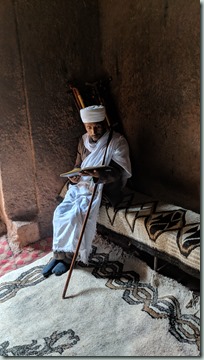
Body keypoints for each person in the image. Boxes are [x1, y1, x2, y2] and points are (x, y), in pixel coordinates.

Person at [42, 105, 132, 277]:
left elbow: (119, 173)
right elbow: (78, 165)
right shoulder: (83, 140)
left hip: (104, 188)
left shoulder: (116, 141)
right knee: (60, 211)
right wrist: (74, 176)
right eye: (89, 127)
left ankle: (69, 258)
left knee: (77, 213)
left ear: (104, 122)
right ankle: (58, 255)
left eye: (97, 126)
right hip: (82, 183)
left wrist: (98, 174)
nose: (93, 130)